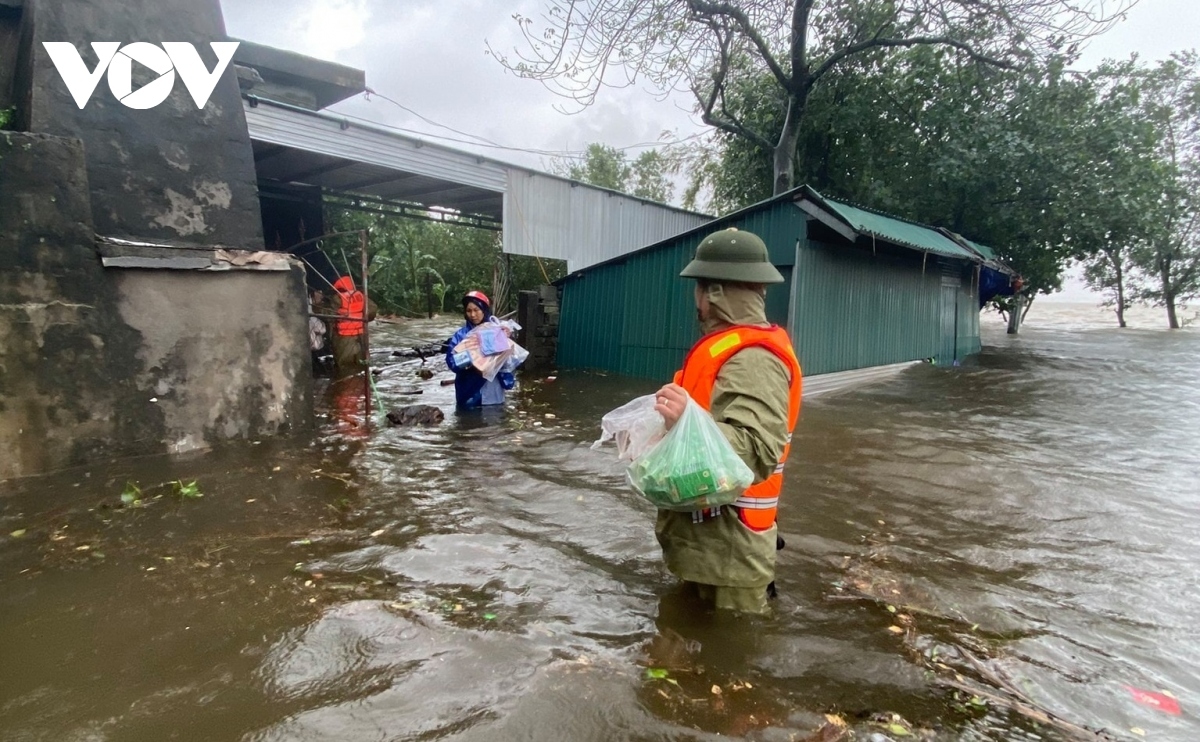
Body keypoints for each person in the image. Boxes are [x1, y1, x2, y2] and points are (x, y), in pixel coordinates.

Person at [651, 227, 803, 614]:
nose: (696, 299)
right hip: (711, 546)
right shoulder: (729, 348)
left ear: (713, 292)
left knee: (729, 659)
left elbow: (755, 451)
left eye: (698, 288)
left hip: (730, 552)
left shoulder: (754, 358)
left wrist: (685, 420)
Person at [445, 290, 515, 408]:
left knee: (495, 421)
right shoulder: (461, 336)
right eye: (469, 311)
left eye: (476, 310)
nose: (472, 315)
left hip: (493, 389)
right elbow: (452, 362)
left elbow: (508, 362)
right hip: (469, 391)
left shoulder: (498, 331)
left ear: (484, 310)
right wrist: (472, 359)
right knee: (469, 423)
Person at [330, 276, 377, 376]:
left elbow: (329, 315)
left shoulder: (337, 298)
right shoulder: (360, 296)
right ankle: (360, 385)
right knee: (361, 363)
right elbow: (373, 309)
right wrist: (362, 318)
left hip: (344, 336)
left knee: (345, 365)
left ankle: (346, 386)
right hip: (361, 335)